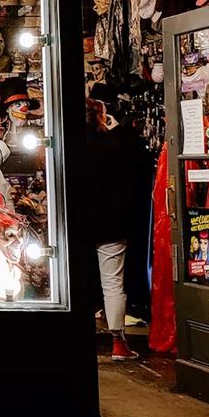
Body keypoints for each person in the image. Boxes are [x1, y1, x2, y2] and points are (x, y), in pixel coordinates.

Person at [84, 98, 151, 360]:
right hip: (111, 223)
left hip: (80, 222)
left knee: (78, 280)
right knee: (113, 283)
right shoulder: (115, 146)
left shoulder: (71, 147)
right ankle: (117, 342)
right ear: (102, 117)